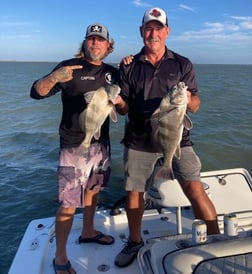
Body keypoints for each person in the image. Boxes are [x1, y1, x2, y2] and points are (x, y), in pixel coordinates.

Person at [114, 7, 220, 268]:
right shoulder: (129, 66)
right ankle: (135, 241)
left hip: (178, 139)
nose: (153, 33)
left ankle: (216, 242)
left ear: (167, 32)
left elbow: (195, 103)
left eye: (158, 28)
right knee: (134, 192)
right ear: (141, 32)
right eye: (148, 28)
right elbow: (125, 106)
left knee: (195, 188)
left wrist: (187, 100)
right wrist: (116, 103)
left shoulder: (183, 63)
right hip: (139, 140)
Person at [30, 23, 118, 274]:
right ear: (85, 43)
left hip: (100, 143)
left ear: (108, 45)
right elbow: (36, 93)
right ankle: (60, 257)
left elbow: (123, 106)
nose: (95, 43)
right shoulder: (69, 67)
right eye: (91, 39)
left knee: (93, 190)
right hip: (72, 145)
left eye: (100, 40)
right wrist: (52, 78)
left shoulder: (113, 72)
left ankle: (88, 232)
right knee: (69, 202)